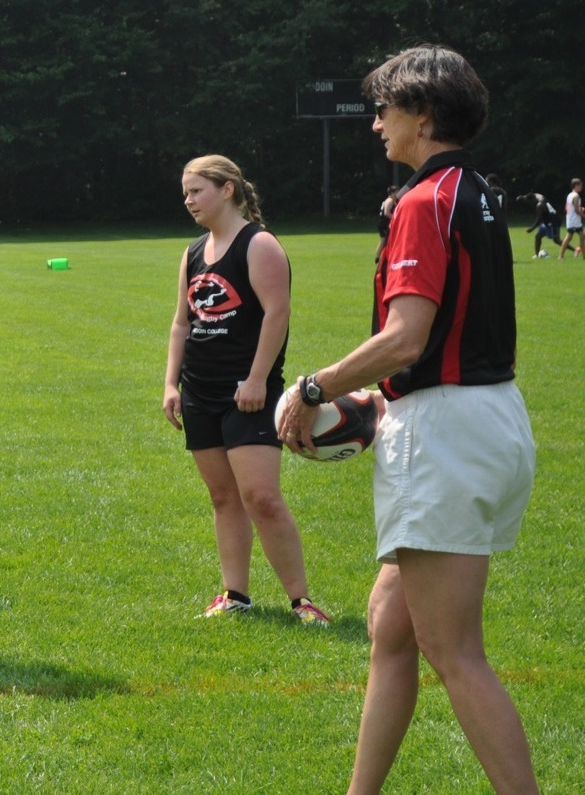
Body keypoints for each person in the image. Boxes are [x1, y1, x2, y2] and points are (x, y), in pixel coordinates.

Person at [276, 45, 538, 794]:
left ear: (423, 118)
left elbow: (407, 338)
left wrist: (315, 388)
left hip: (446, 433)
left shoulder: (424, 201)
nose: (376, 124)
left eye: (385, 110)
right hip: (490, 418)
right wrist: (381, 399)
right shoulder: (477, 191)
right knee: (390, 625)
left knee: (455, 652)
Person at [161, 155, 331, 627]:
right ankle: (235, 594)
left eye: (196, 190)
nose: (188, 200)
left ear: (228, 189)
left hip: (247, 392)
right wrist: (171, 383)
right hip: (199, 390)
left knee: (261, 496)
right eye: (186, 192)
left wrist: (257, 379)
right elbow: (182, 322)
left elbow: (277, 313)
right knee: (222, 497)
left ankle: (302, 601)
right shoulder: (194, 251)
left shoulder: (259, 245)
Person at [516, 190, 561, 257]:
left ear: (531, 200)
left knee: (556, 240)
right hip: (547, 221)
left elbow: (538, 219)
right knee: (538, 236)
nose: (529, 204)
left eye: (528, 203)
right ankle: (537, 255)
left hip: (553, 221)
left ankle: (575, 250)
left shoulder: (539, 205)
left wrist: (531, 229)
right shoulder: (537, 195)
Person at [558, 177, 582, 259]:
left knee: (581, 236)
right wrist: (583, 214)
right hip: (575, 220)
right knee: (569, 237)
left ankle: (582, 254)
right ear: (576, 185)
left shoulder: (570, 195)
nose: (581, 187)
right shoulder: (576, 196)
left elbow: (567, 207)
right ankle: (561, 256)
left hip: (570, 219)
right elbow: (576, 209)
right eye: (580, 185)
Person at [374, 185, 399, 263]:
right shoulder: (390, 200)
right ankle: (377, 258)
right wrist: (395, 218)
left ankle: (389, 256)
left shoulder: (394, 200)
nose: (397, 194)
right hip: (383, 224)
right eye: (396, 192)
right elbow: (386, 213)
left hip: (387, 224)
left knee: (390, 240)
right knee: (383, 241)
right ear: (392, 193)